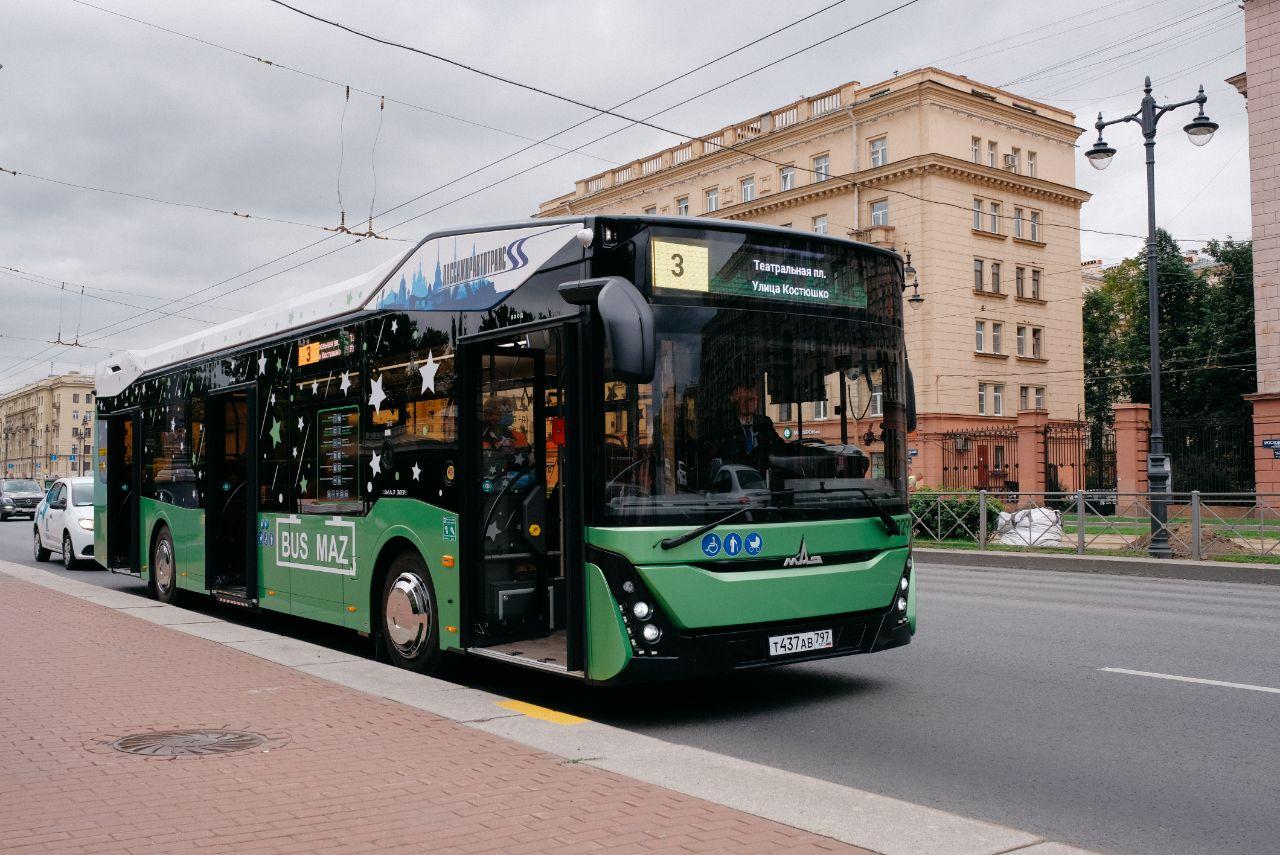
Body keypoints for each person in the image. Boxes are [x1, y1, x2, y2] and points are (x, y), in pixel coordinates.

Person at [712, 381, 783, 474]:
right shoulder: (727, 428)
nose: (749, 404)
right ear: (736, 402)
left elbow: (780, 447)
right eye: (745, 400)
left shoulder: (764, 423)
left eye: (753, 399)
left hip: (763, 481)